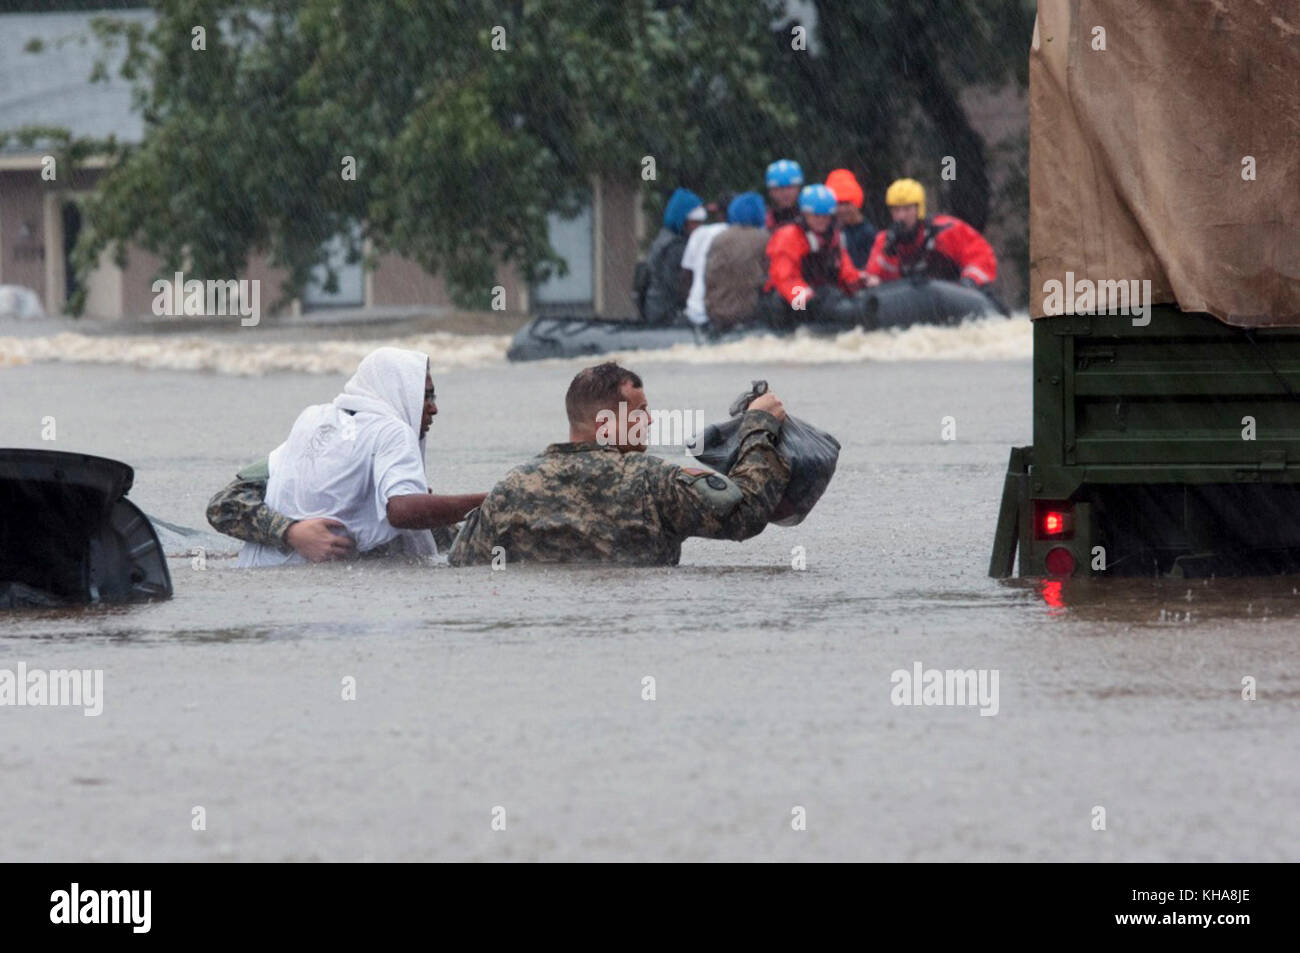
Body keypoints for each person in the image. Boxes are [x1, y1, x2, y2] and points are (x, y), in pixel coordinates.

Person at [448, 362, 790, 566]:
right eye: (640, 413)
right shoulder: (653, 481)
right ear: (604, 423)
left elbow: (464, 565)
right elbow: (747, 514)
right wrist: (759, 426)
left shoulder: (510, 488)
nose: (651, 422)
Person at [208, 347, 485, 565]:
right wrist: (292, 533)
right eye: (425, 397)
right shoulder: (356, 432)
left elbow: (416, 523)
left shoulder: (331, 425)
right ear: (400, 394)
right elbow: (224, 505)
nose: (434, 408)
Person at [760, 183, 866, 329]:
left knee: (834, 297)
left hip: (819, 295)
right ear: (805, 214)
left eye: (825, 216)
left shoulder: (834, 237)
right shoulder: (788, 236)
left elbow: (845, 269)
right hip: (789, 301)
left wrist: (860, 282)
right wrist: (808, 300)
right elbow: (784, 278)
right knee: (785, 302)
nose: (821, 220)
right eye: (816, 215)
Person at [864, 178, 997, 289]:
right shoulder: (885, 242)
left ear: (919, 209)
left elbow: (981, 255)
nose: (901, 216)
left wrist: (969, 281)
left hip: (955, 293)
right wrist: (889, 255)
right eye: (896, 210)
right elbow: (875, 277)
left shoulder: (945, 230)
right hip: (913, 303)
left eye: (907, 209)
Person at [702, 191, 770, 330]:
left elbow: (709, 277)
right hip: (749, 314)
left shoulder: (719, 239)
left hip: (717, 312)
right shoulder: (764, 239)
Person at [641, 187, 707, 324]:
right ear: (683, 221)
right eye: (695, 222)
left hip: (656, 308)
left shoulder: (664, 238)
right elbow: (677, 285)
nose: (700, 227)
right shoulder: (676, 247)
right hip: (667, 314)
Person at [825, 168, 876, 269]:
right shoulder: (827, 232)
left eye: (847, 203)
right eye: (838, 204)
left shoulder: (869, 233)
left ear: (857, 202)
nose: (842, 209)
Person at [764, 158, 804, 229]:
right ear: (770, 191)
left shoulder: (812, 220)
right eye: (779, 188)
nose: (785, 193)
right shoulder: (764, 221)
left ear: (799, 188)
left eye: (790, 187)